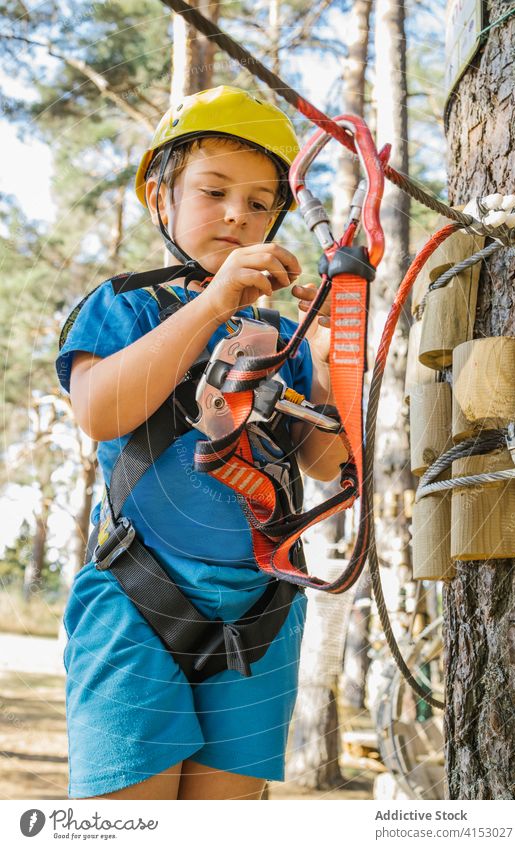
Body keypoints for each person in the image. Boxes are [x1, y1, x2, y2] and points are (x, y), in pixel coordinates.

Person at [57, 85, 347, 800]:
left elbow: (331, 464)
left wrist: (345, 347)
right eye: (212, 191)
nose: (235, 214)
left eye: (258, 202)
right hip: (137, 597)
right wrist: (215, 302)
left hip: (262, 610)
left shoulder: (285, 341)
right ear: (161, 197)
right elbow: (99, 412)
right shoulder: (125, 304)